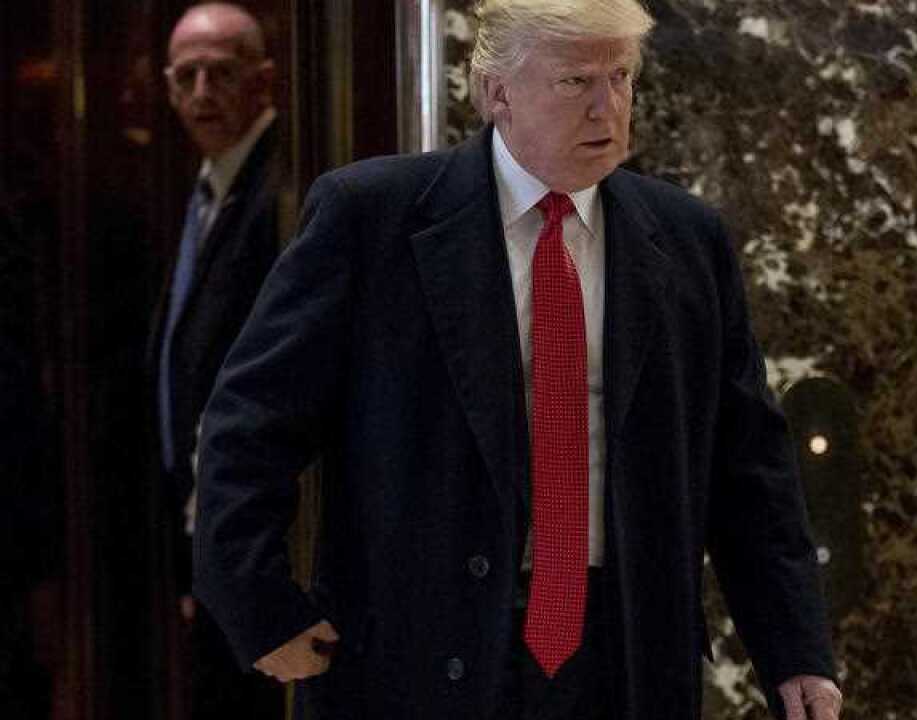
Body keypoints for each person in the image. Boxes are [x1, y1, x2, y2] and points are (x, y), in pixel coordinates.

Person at [193, 1, 843, 718]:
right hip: (420, 652)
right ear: (496, 92)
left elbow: (749, 466)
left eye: (621, 77)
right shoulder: (371, 216)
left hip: (625, 654)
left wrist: (795, 651)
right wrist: (259, 604)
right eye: (576, 82)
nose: (608, 107)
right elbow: (249, 424)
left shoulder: (687, 240)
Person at [149, 3, 284, 716]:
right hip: (207, 535)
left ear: (262, 81)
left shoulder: (280, 190)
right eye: (187, 76)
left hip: (258, 538)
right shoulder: (207, 190)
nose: (202, 93)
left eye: (221, 75)